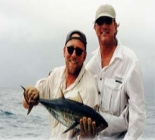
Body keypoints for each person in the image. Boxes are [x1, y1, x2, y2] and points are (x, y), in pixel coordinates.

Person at [22, 30, 100, 140]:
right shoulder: (55, 74)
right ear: (64, 51)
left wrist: (85, 137)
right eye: (70, 49)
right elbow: (26, 104)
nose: (73, 55)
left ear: (84, 56)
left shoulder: (89, 88)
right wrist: (29, 94)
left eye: (78, 51)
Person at [84, 4, 146, 140]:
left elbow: (138, 115)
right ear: (95, 27)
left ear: (116, 26)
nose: (104, 26)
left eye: (108, 21)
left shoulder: (130, 61)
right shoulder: (89, 67)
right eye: (100, 22)